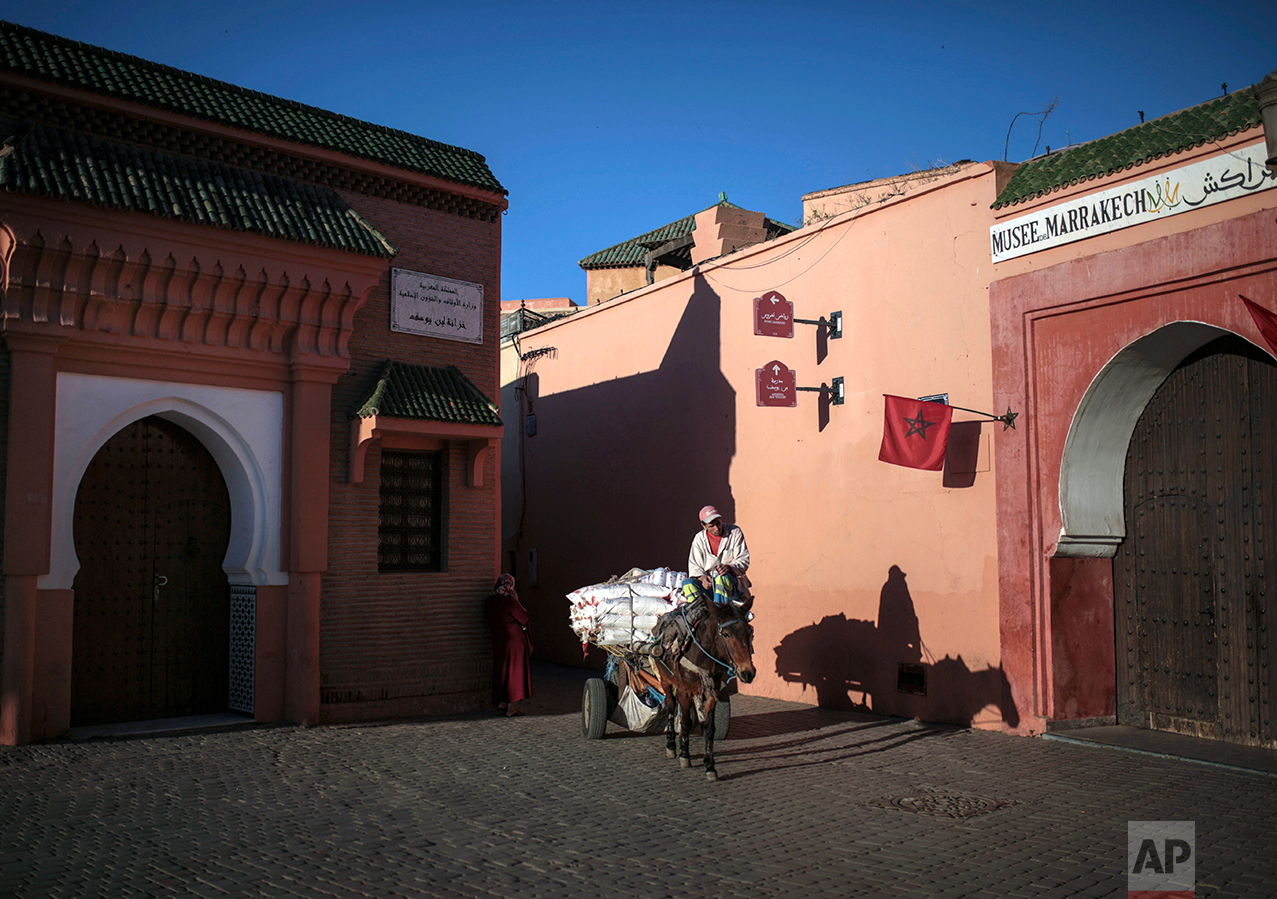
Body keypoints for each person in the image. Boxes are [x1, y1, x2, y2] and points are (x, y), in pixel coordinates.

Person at [683, 505, 751, 606]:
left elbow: (744, 559)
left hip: (733, 587)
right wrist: (702, 578)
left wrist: (729, 568)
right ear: (704, 525)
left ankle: (720, 612)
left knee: (721, 578)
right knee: (688, 584)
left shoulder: (735, 532)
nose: (717, 528)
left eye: (718, 523)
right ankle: (700, 615)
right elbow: (694, 566)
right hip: (710, 588)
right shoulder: (699, 539)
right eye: (712, 526)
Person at [486, 573, 532, 716]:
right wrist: (517, 601)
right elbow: (524, 618)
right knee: (515, 673)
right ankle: (511, 707)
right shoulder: (510, 603)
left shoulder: (490, 602)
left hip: (499, 640)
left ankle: (501, 702)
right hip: (515, 642)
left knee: (502, 671)